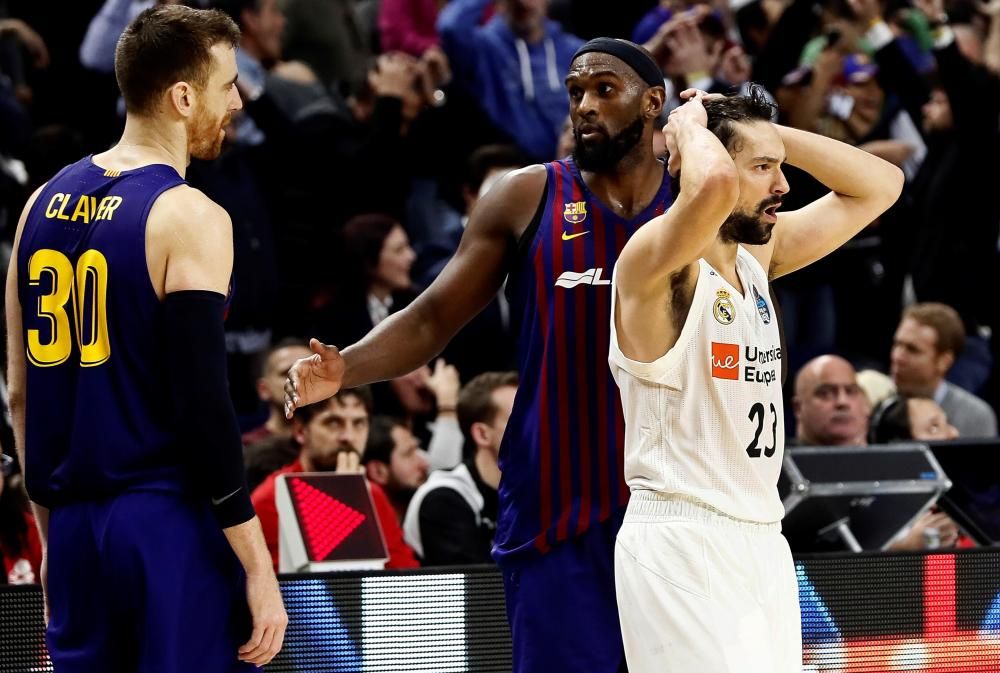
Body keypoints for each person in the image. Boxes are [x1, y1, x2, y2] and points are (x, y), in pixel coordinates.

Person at [287, 37, 674, 673]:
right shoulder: (527, 196)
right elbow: (435, 315)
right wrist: (347, 367)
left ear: (654, 103)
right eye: (576, 92)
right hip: (561, 501)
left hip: (674, 501)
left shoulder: (699, 202)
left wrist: (715, 133)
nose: (584, 106)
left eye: (606, 90)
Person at [3, 6, 287, 670]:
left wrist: (51, 538)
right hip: (162, 523)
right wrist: (256, 561)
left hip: (71, 526)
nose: (238, 101)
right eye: (228, 84)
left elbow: (21, 395)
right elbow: (202, 406)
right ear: (183, 96)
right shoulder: (189, 214)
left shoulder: (37, 202)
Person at [609, 85, 903, 672]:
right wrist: (689, 127)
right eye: (764, 169)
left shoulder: (756, 259)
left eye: (777, 166)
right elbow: (715, 187)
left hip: (762, 534)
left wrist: (761, 135)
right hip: (682, 534)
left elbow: (882, 184)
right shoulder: (655, 262)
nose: (784, 184)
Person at [250, 389, 420, 571]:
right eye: (333, 423)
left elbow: (404, 576)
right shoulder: (271, 500)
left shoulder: (372, 494)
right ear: (300, 431)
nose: (349, 436)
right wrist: (340, 506)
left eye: (359, 423)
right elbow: (288, 591)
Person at [403, 371, 516, 565]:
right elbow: (482, 590)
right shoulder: (443, 498)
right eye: (522, 419)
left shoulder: (544, 490)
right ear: (482, 434)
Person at [890, 302, 997, 438]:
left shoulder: (975, 417)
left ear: (944, 361)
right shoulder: (874, 399)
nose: (897, 357)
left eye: (912, 350)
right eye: (897, 344)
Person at [362, 416, 431, 523]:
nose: (424, 464)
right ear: (378, 472)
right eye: (408, 454)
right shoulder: (367, 530)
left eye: (416, 451)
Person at [243, 339, 313, 445]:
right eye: (287, 373)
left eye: (309, 371)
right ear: (264, 389)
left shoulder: (340, 440)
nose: (300, 378)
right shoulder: (247, 447)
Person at [792, 354, 869, 446]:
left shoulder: (886, 457)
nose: (842, 402)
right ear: (798, 408)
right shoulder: (778, 459)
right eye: (826, 393)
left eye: (850, 391)